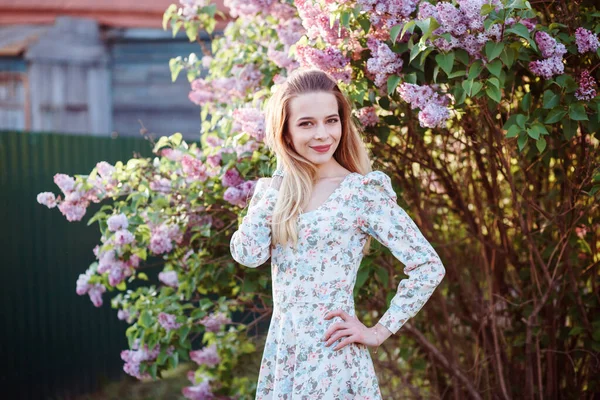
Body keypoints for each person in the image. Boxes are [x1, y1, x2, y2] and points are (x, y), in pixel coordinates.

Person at [229, 68, 445, 399]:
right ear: (284, 131)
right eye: (306, 123)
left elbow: (428, 266)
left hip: (334, 357)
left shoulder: (361, 192)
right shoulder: (275, 192)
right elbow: (248, 254)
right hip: (285, 355)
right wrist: (278, 184)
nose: (322, 134)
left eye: (331, 120)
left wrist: (377, 332)